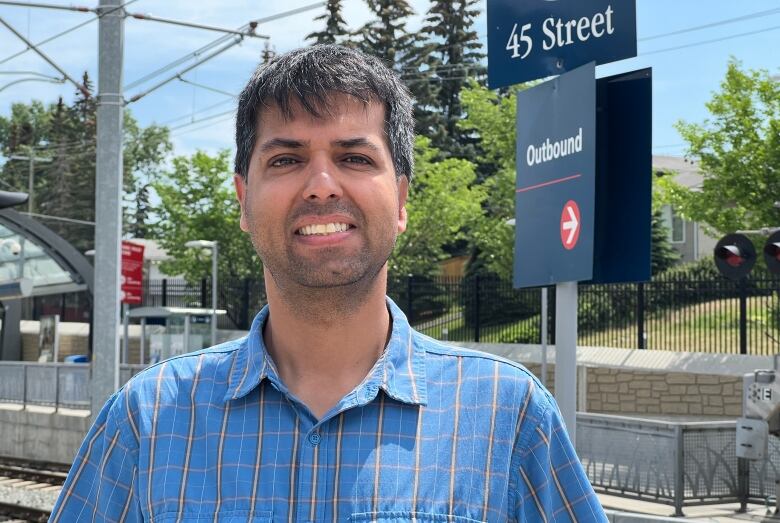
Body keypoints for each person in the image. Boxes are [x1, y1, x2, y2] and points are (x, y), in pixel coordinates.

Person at [51, 45, 606, 522]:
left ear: (403, 199)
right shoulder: (147, 421)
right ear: (244, 201)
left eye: (355, 157)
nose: (321, 186)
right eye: (287, 158)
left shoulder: (508, 418)